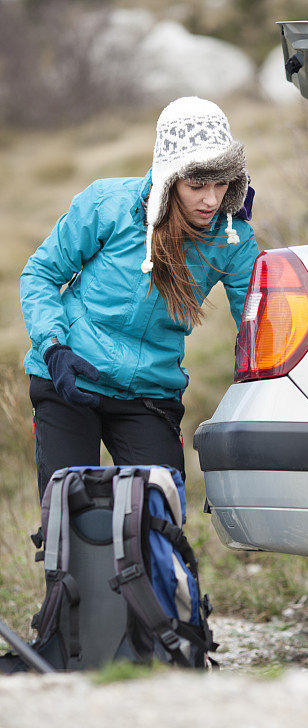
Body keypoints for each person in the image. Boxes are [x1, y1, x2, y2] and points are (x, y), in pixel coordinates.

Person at [21, 96, 259, 500]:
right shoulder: (107, 204)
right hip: (70, 376)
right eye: (197, 185)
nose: (211, 200)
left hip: (150, 393)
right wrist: (53, 346)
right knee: (70, 515)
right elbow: (41, 274)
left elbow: (257, 322)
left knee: (159, 520)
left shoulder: (232, 238)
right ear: (169, 178)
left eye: (222, 184)